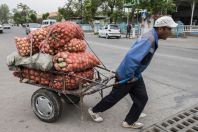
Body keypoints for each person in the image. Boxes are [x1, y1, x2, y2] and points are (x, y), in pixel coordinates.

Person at [88, 16, 178, 129]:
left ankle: (129, 121)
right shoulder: (149, 39)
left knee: (142, 98)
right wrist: (130, 77)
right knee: (114, 97)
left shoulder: (152, 36)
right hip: (127, 74)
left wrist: (135, 75)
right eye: (169, 29)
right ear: (161, 29)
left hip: (135, 74)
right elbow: (131, 58)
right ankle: (93, 110)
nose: (171, 32)